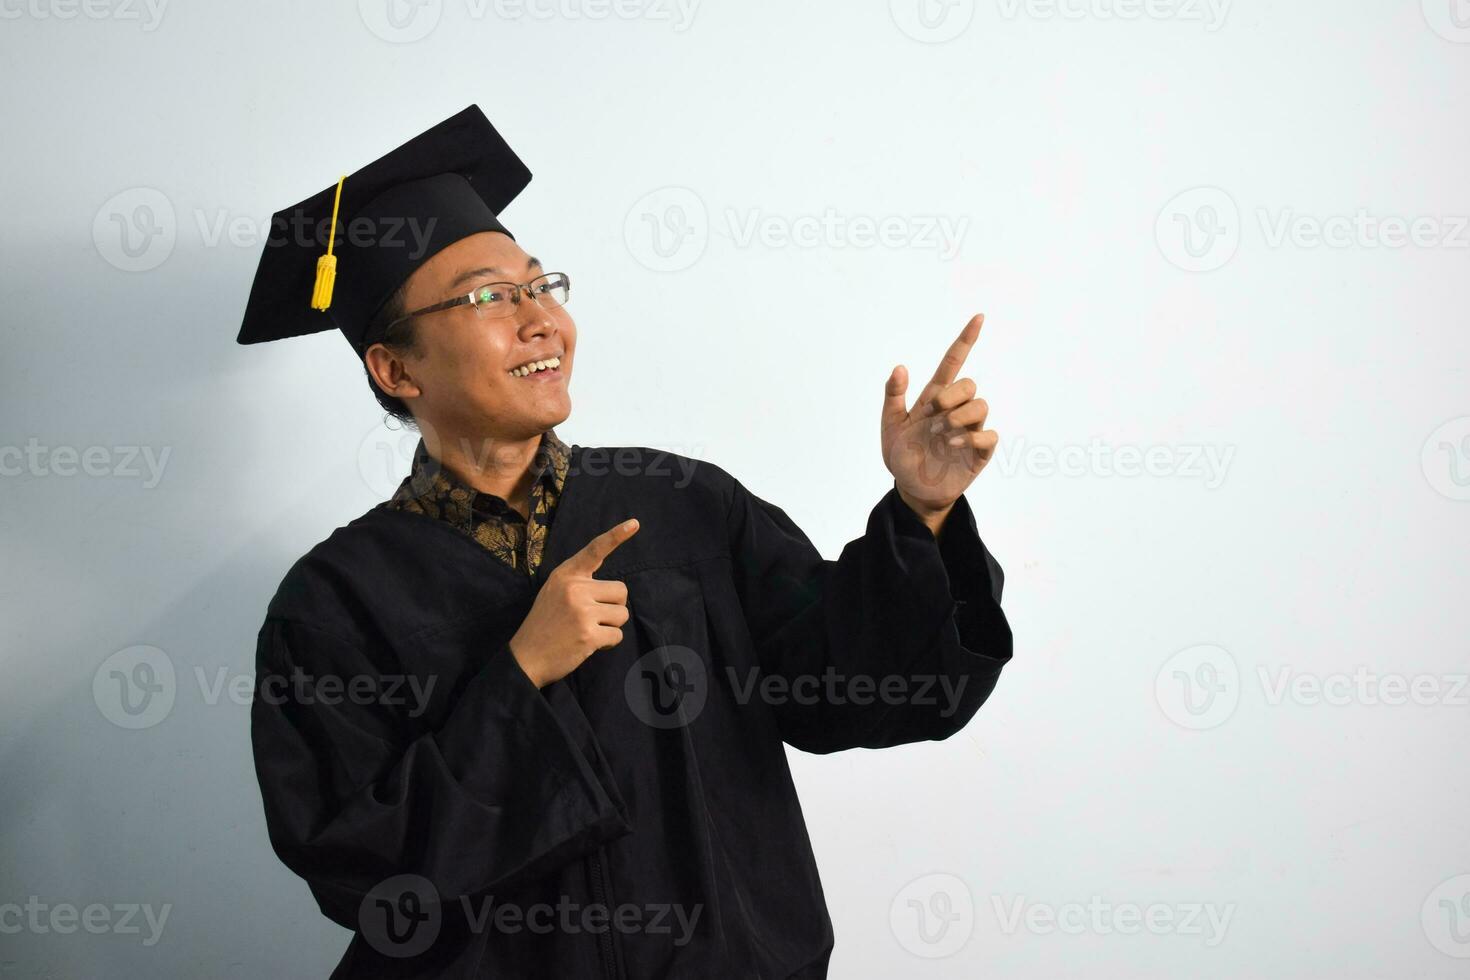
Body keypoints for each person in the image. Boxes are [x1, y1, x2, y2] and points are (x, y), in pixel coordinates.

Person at [238, 104, 1013, 979]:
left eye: (541, 286)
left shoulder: (682, 507)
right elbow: (365, 876)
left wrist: (921, 512)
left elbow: (862, 689)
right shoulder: (335, 600)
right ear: (396, 368)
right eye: (490, 297)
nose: (539, 320)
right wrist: (521, 675)